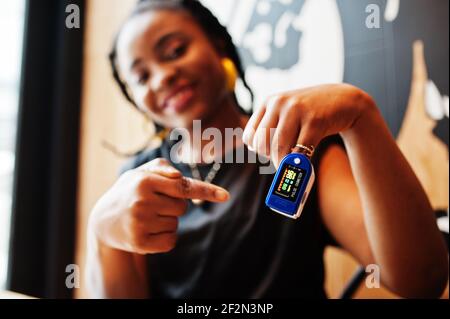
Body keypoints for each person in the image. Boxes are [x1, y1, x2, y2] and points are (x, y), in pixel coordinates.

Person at [85, 0, 448, 298]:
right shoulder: (135, 181)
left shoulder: (299, 149)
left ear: (218, 46)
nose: (162, 76)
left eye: (176, 50)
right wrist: (99, 231)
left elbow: (419, 280)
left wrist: (361, 115)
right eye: (142, 76)